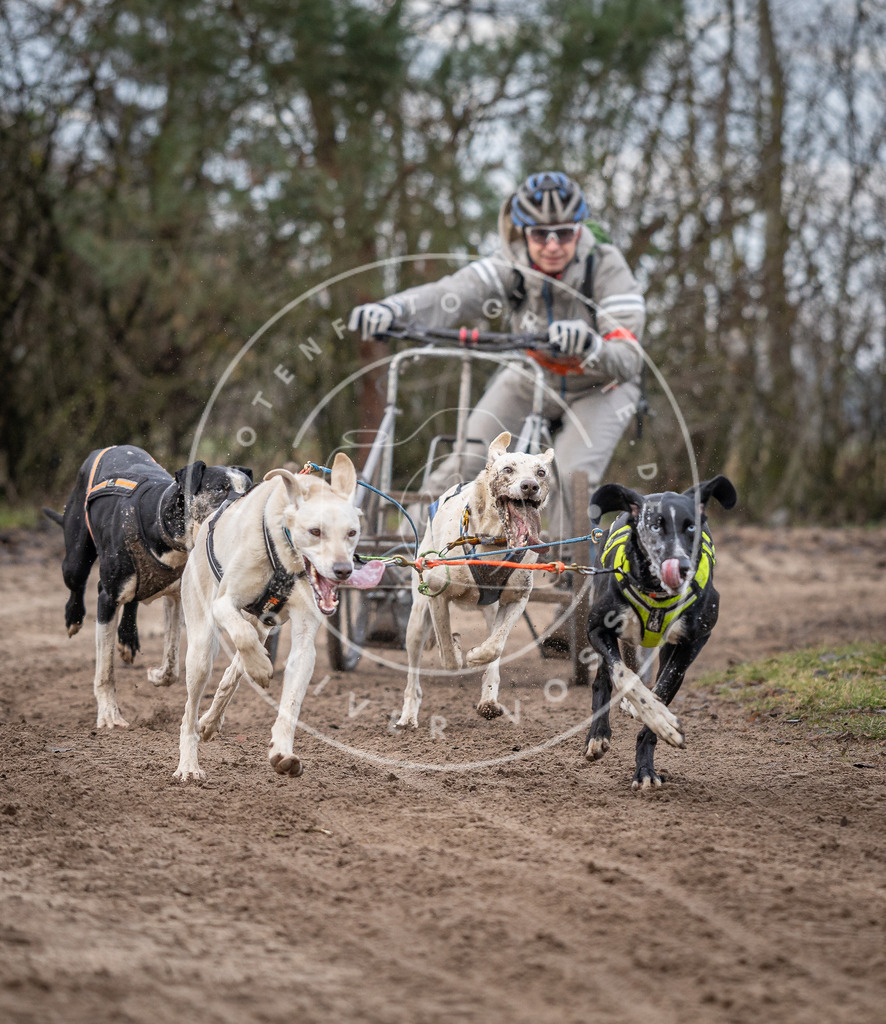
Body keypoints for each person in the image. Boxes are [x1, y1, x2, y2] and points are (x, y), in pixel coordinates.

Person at [348, 170, 645, 541]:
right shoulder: (511, 265)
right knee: (470, 459)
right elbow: (450, 293)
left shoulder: (607, 266)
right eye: (540, 234)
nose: (552, 245)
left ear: (580, 229)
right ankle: (412, 552)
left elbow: (629, 356)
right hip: (534, 372)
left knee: (571, 475)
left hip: (602, 385)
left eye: (565, 233)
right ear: (522, 232)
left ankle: (573, 577)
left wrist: (591, 343)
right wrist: (394, 309)